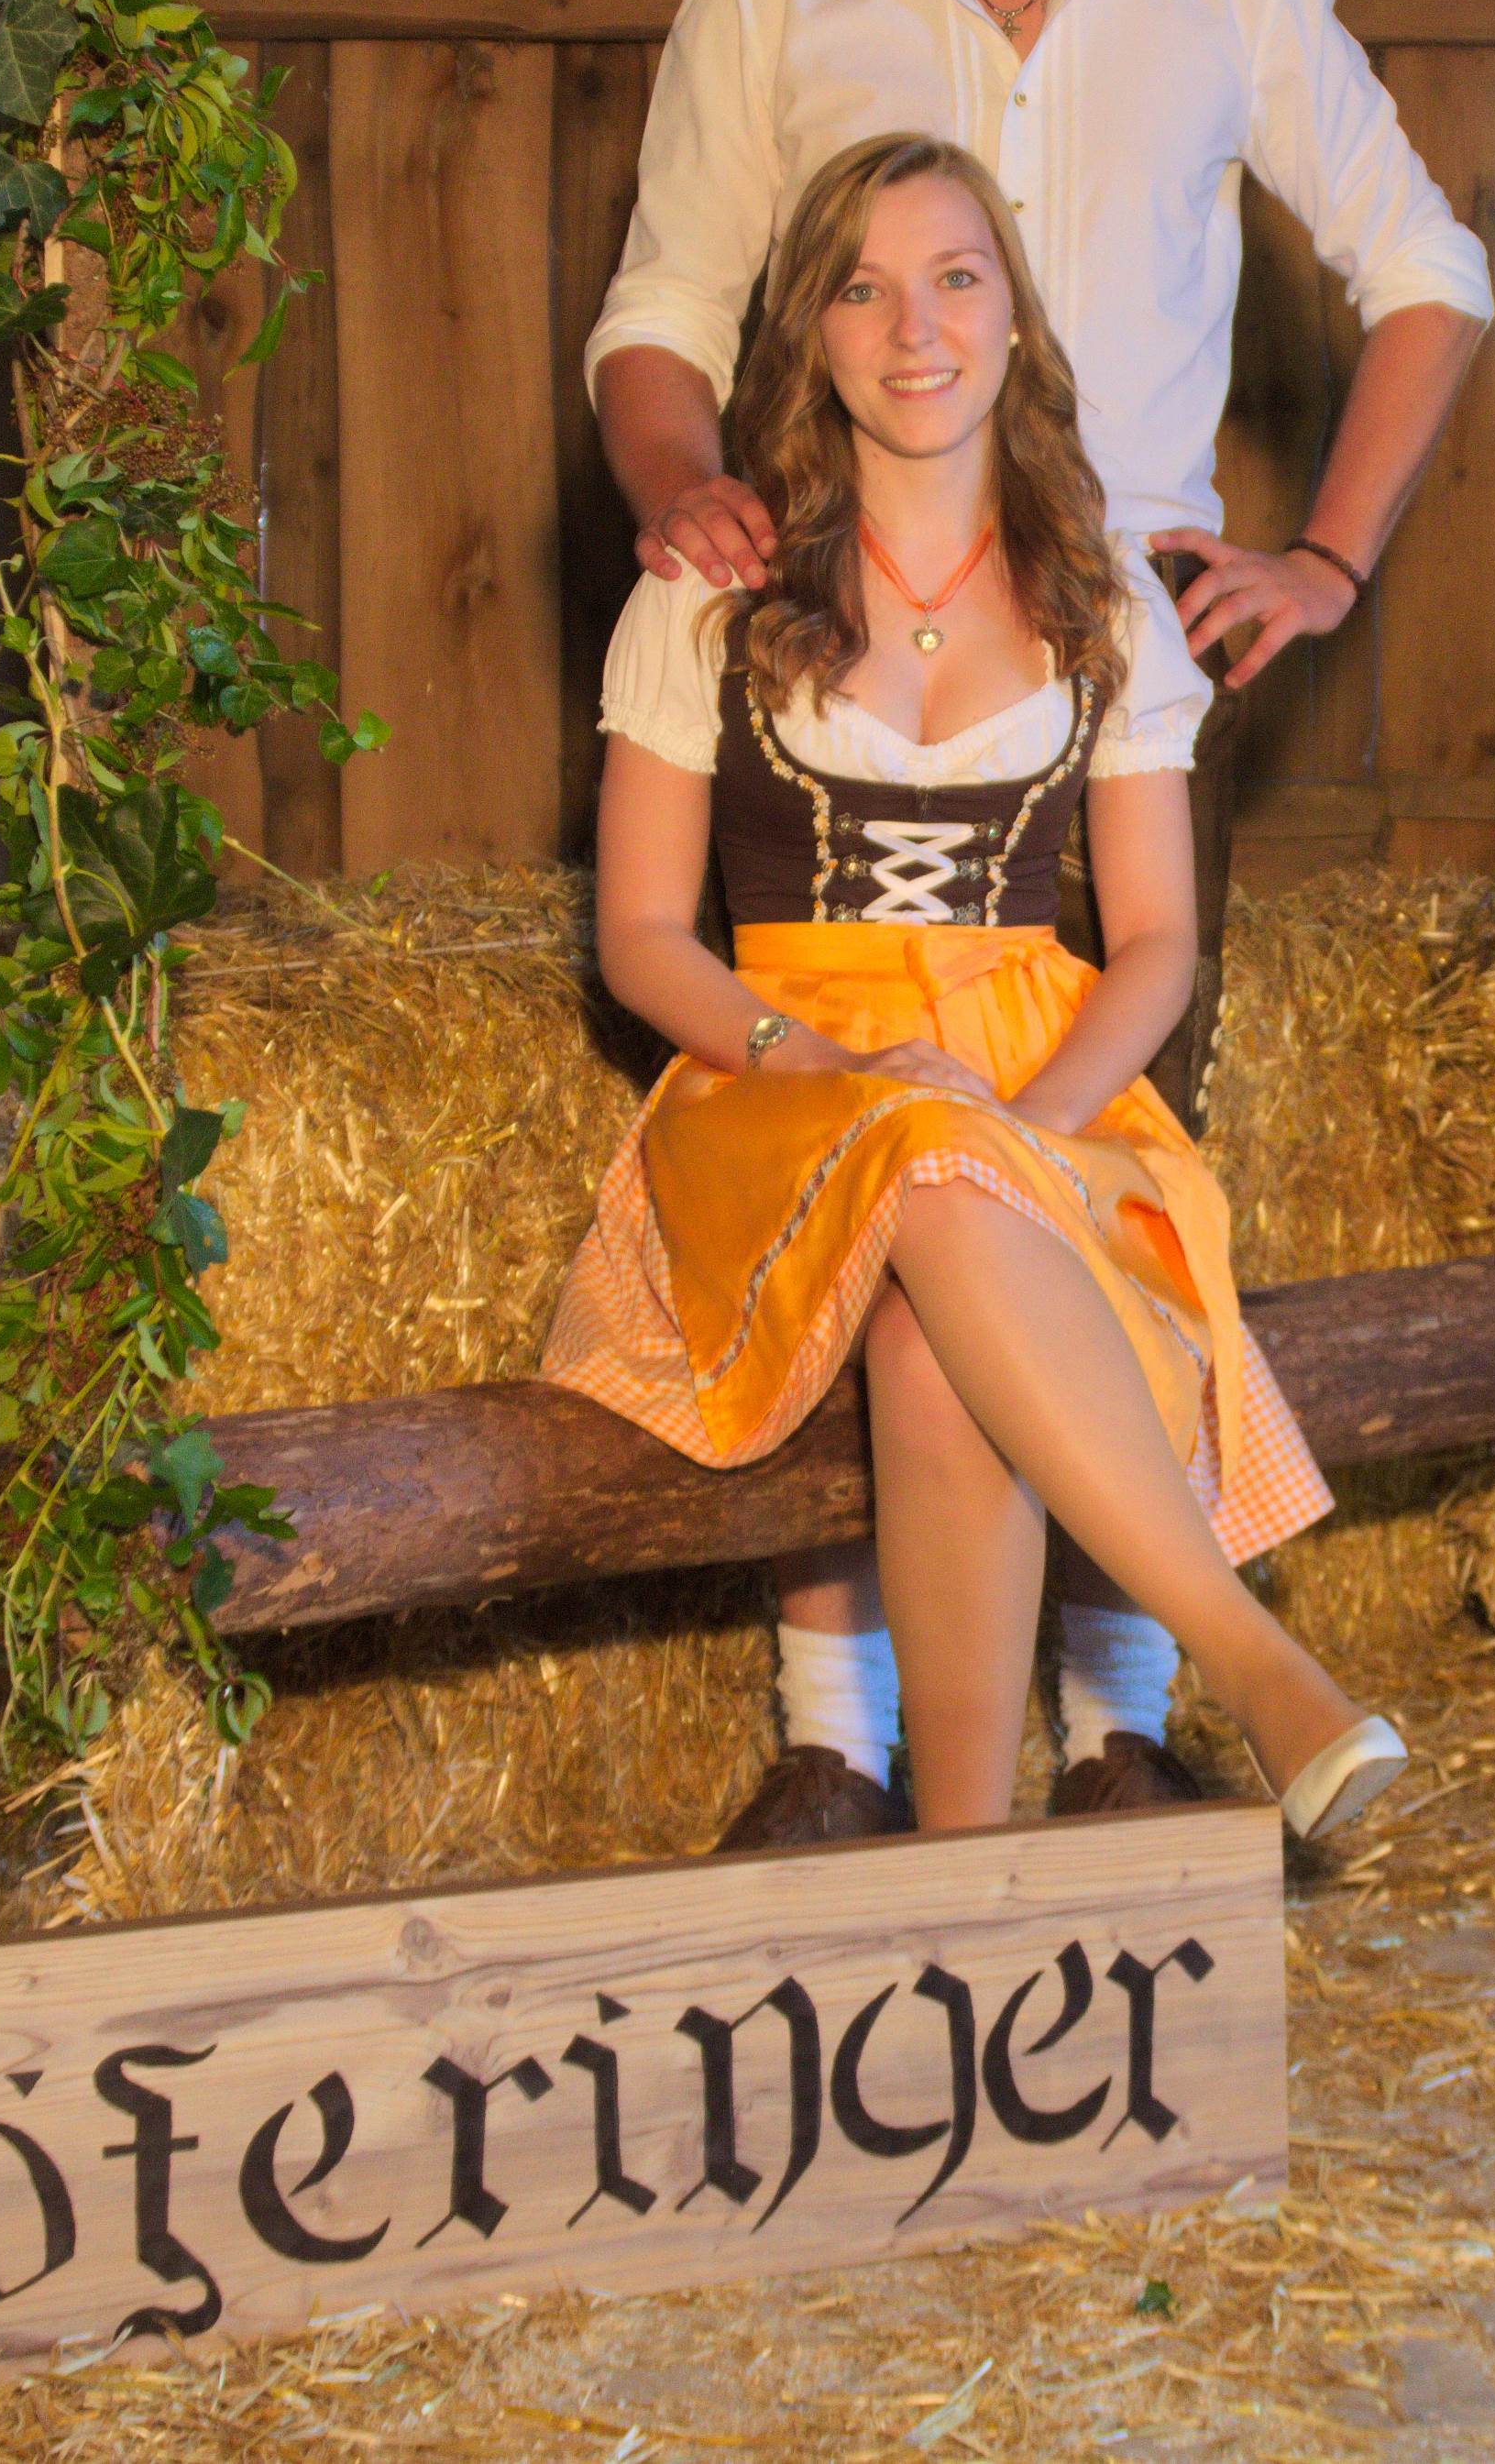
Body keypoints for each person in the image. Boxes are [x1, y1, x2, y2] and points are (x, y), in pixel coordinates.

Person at [584, 0, 1494, 1845]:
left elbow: (1427, 270)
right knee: (903, 1194)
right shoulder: (767, 1)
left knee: (1086, 1144)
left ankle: (1122, 1720)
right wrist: (688, 493)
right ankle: (844, 1736)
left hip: (1100, 659)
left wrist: (1331, 554)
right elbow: (661, 315)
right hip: (828, 638)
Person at [544, 133, 1406, 1849]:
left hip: (1043, 1077)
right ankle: (1255, 1661)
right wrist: (824, 1055)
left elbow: (1154, 944)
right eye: (861, 289)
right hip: (780, 1081)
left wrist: (1028, 1127)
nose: (914, 327)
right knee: (921, 1155)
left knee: (936, 1333)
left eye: (955, 278)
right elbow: (642, 937)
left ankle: (960, 1865)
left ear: (1015, 316)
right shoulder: (711, 595)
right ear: (809, 336)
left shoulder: (1102, 598)